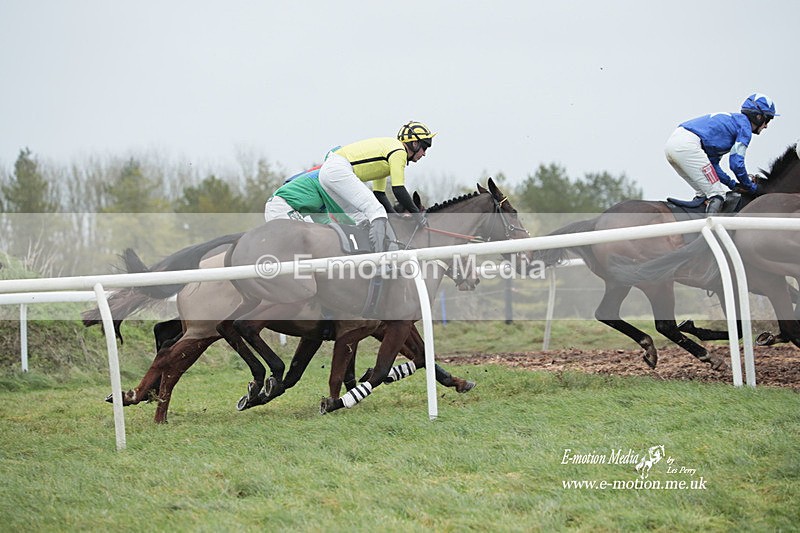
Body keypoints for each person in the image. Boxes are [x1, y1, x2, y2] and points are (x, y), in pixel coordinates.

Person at [318, 121, 434, 252]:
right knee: (377, 212)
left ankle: (362, 255)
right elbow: (399, 190)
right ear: (415, 144)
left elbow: (379, 194)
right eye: (424, 148)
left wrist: (395, 216)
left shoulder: (389, 152)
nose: (424, 154)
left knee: (363, 219)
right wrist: (418, 216)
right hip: (337, 169)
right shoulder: (399, 152)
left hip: (327, 172)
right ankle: (379, 262)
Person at [665, 93, 779, 215]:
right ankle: (709, 230)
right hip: (687, 146)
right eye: (767, 119)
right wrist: (751, 187)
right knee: (717, 195)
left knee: (704, 194)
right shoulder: (744, 128)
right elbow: (736, 164)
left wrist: (732, 184)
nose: (766, 126)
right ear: (758, 117)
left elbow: (713, 166)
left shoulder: (734, 123)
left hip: (674, 145)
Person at [264, 164, 355, 225]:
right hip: (281, 207)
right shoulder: (324, 179)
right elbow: (339, 212)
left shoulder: (320, 201)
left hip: (284, 206)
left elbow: (323, 221)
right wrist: (357, 226)